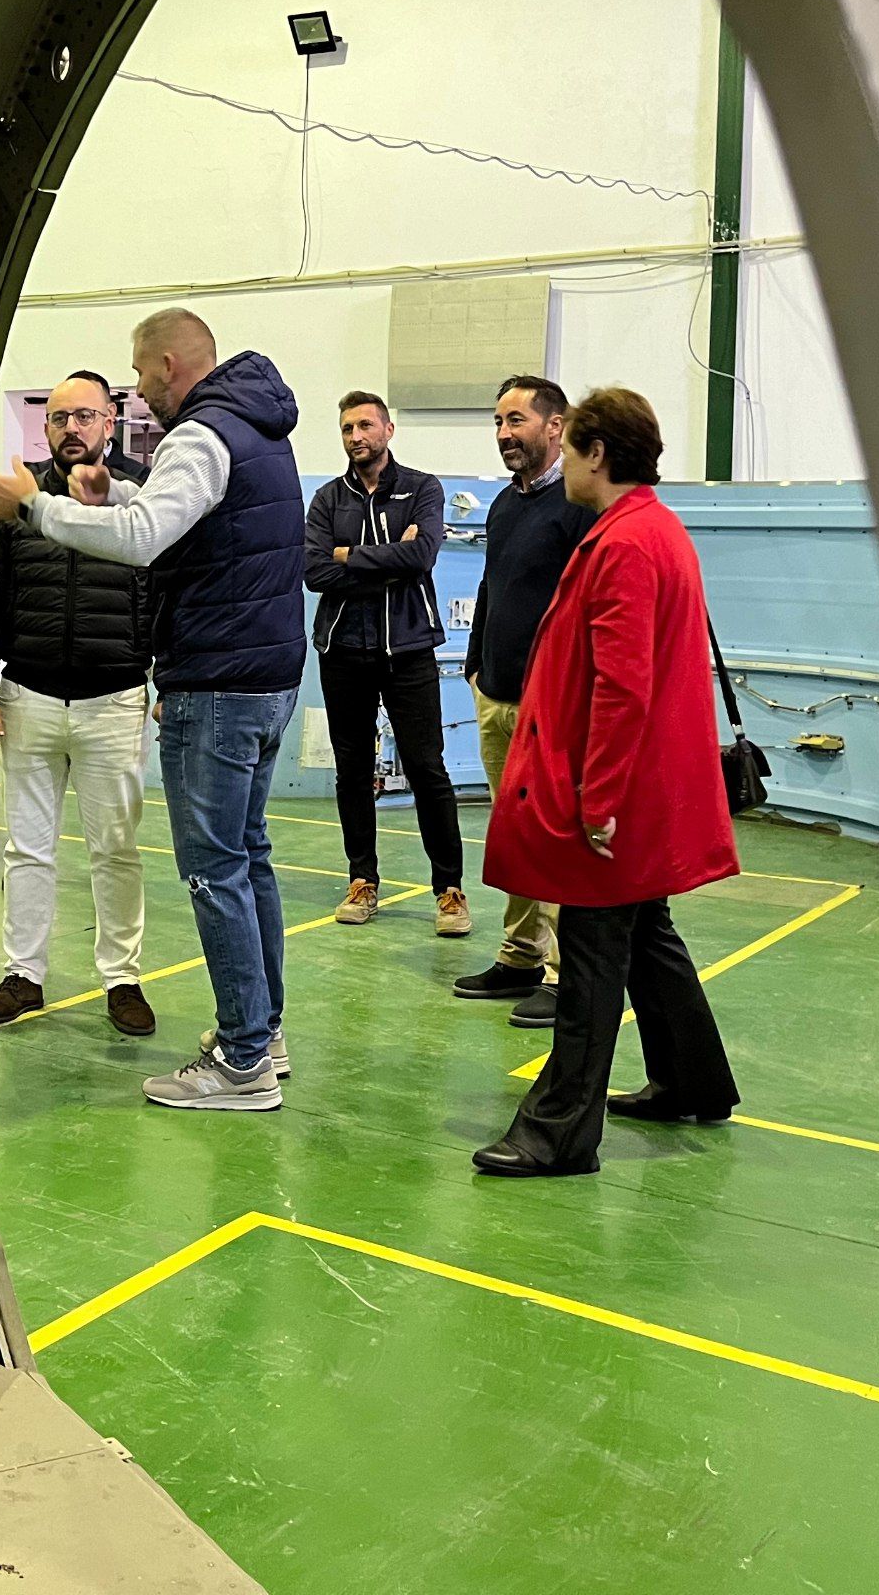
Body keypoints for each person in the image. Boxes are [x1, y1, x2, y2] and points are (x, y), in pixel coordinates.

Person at [0, 309, 303, 1114]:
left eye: (137, 373)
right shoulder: (257, 426)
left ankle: (243, 1062)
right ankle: (261, 1033)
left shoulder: (201, 432)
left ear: (166, 365)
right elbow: (193, 523)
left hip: (214, 682)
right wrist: (110, 494)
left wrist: (37, 507)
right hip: (258, 678)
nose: (140, 388)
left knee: (214, 868)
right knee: (247, 857)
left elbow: (147, 538)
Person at [471, 387, 742, 1178]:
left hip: (620, 793)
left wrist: (599, 800)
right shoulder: (652, 529)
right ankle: (693, 1081)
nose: (563, 467)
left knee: (591, 960)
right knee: (648, 937)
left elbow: (621, 687)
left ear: (595, 454)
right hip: (647, 786)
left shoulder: (625, 543)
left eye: (570, 451)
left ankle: (557, 1133)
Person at [0, 372, 157, 1038]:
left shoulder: (142, 498)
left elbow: (169, 594)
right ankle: (23, 974)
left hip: (115, 700)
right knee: (27, 849)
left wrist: (166, 680)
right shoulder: (14, 502)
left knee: (116, 848)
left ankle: (122, 979)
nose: (72, 428)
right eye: (59, 417)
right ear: (45, 428)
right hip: (28, 698)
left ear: (110, 421)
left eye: (85, 416)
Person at [452, 374, 595, 1030]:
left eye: (517, 421)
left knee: (557, 840)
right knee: (515, 836)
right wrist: (477, 664)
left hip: (551, 706)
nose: (505, 434)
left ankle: (568, 977)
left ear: (555, 426)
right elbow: (492, 586)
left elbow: (584, 607)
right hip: (497, 695)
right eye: (499, 422)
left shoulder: (578, 505)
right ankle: (519, 957)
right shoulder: (507, 504)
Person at [304, 390, 473, 942]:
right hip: (343, 650)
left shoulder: (422, 488)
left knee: (428, 769)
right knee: (352, 770)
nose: (356, 437)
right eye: (347, 428)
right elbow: (314, 572)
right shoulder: (328, 499)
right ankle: (362, 880)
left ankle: (450, 889)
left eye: (365, 426)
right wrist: (386, 561)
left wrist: (348, 555)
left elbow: (421, 556)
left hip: (410, 649)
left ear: (388, 430)